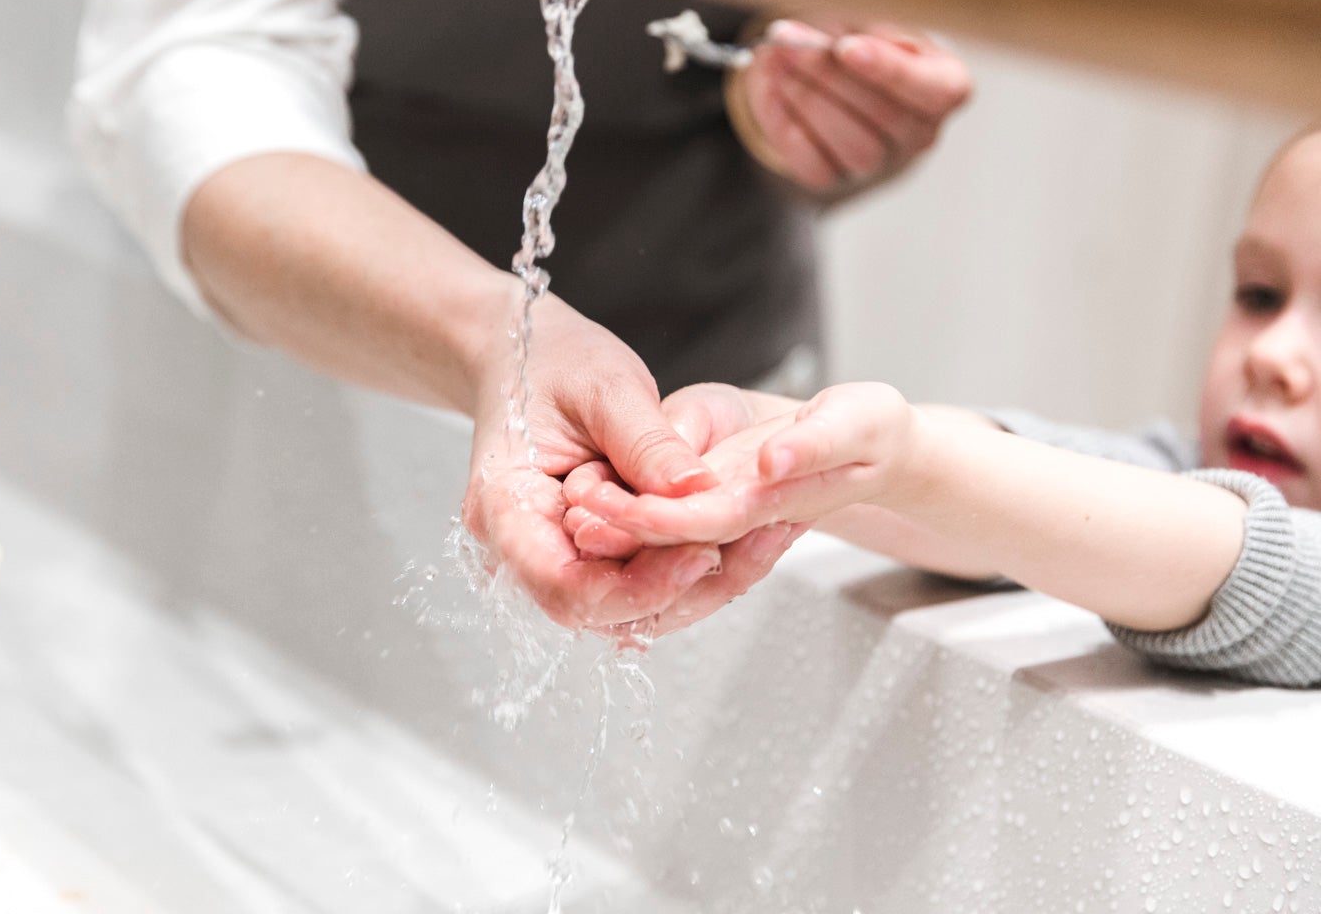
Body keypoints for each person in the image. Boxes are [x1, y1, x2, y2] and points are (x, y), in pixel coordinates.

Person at [70, 0, 976, 636]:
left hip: (722, 369)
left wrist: (822, 113)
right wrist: (494, 341)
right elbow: (200, 63)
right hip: (319, 353)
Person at [562, 129, 1321, 686]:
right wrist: (759, 432)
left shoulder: (1204, 526)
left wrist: (912, 462)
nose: (1273, 356)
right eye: (1261, 295)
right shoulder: (1179, 468)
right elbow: (1018, 480)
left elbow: (1243, 561)